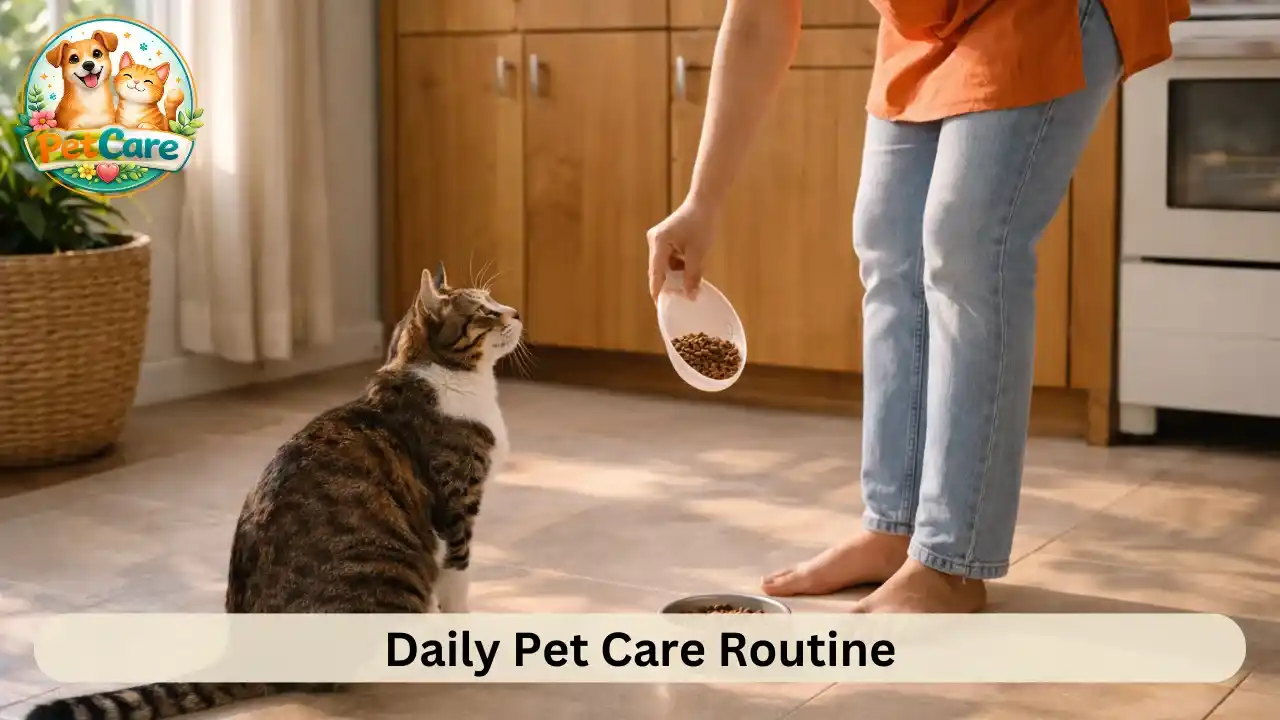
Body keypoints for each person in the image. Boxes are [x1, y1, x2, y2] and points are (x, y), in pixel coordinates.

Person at [646, 0, 1189, 613]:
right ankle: (893, 527)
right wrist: (702, 201)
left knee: (967, 243)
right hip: (929, 20)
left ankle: (952, 561)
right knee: (888, 243)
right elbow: (759, 16)